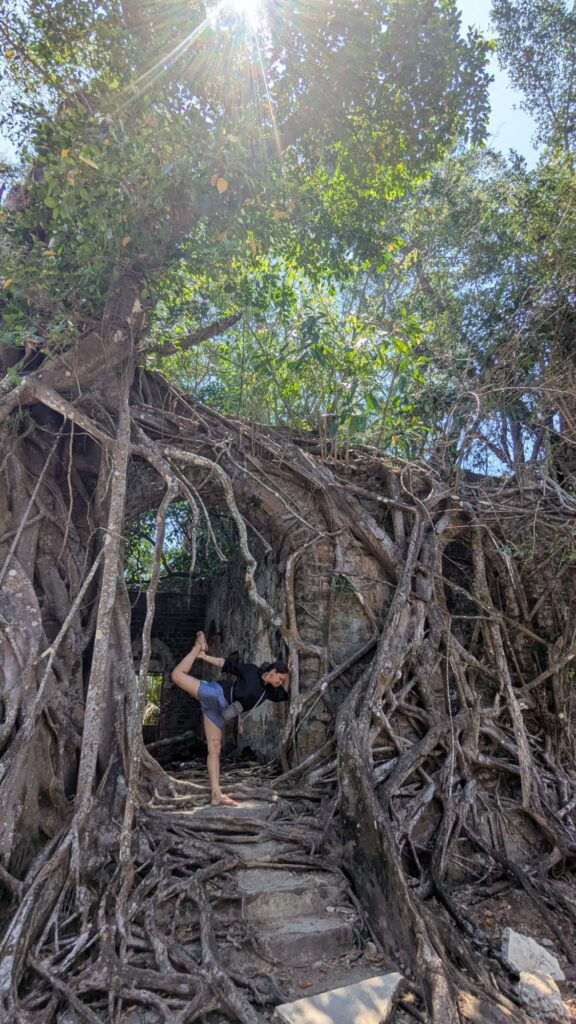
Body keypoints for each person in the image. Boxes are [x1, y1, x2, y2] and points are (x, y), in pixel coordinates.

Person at [171, 631, 290, 807]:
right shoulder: (251, 671)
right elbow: (227, 664)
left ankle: (216, 795)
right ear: (272, 672)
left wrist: (289, 674)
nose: (280, 682)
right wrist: (204, 657)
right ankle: (197, 647)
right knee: (177, 676)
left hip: (217, 714)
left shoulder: (269, 692)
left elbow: (284, 695)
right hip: (217, 694)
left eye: (282, 680)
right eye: (280, 678)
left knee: (215, 750)